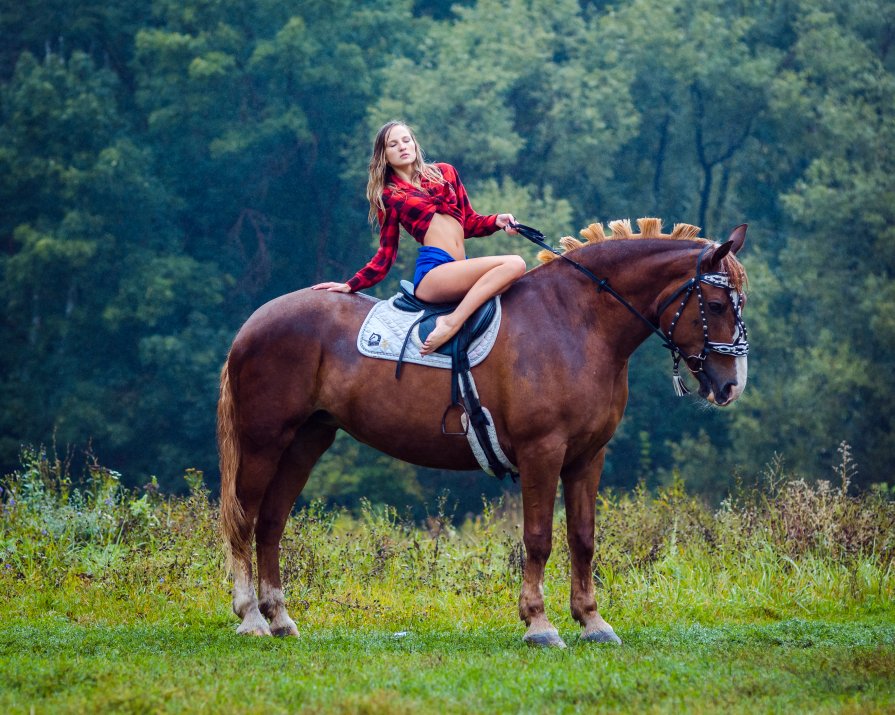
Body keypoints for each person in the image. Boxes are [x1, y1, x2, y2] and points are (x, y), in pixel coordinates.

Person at [312, 121, 525, 356]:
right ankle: (451, 323)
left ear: (414, 143)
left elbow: (468, 223)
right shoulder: (389, 196)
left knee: (511, 280)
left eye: (406, 140)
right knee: (515, 264)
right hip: (434, 272)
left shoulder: (446, 172)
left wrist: (497, 221)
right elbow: (386, 253)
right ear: (384, 155)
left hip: (459, 267)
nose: (402, 147)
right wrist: (351, 284)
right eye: (393, 144)